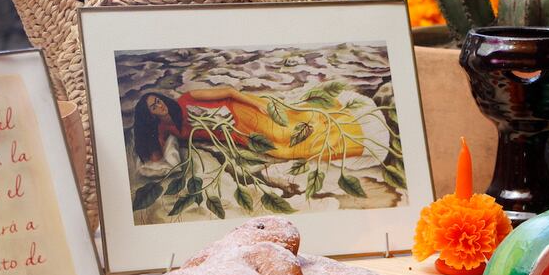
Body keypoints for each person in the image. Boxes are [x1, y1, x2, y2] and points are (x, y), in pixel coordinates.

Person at [132, 86, 390, 176]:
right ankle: (352, 143)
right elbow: (156, 156)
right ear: (150, 115)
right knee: (282, 151)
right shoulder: (168, 130)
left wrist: (257, 104)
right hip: (238, 136)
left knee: (285, 132)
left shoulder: (188, 98)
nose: (160, 105)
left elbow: (229, 92)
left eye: (158, 100)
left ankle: (352, 126)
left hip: (244, 112)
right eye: (154, 107)